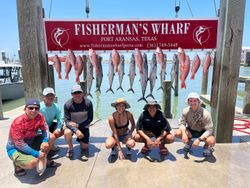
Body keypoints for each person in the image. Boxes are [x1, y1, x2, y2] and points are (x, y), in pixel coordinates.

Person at [6, 98, 55, 177]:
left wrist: (45, 140)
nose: (34, 110)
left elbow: (45, 129)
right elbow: (20, 144)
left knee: (51, 136)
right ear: (25, 109)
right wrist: (37, 153)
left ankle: (43, 157)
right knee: (32, 163)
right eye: (31, 108)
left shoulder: (39, 116)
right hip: (16, 148)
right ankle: (18, 164)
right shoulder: (18, 122)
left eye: (36, 108)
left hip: (30, 142)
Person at [174, 92, 216, 156]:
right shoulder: (185, 111)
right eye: (190, 101)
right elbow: (182, 124)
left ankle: (206, 146)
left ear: (199, 101)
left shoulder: (206, 113)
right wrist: (184, 134)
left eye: (195, 101)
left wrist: (199, 139)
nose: (193, 103)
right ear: (188, 102)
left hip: (203, 132)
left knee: (211, 141)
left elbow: (210, 130)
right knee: (177, 133)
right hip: (191, 130)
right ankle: (189, 143)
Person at [64, 84, 93, 160]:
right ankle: (70, 148)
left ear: (82, 93)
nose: (77, 95)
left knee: (84, 147)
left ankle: (81, 140)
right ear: (72, 94)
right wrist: (76, 130)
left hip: (83, 125)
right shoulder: (67, 105)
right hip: (72, 126)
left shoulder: (88, 103)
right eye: (75, 93)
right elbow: (66, 121)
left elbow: (90, 119)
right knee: (67, 132)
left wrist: (78, 125)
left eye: (79, 92)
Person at [40, 87, 63, 152]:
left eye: (52, 95)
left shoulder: (56, 106)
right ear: (43, 97)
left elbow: (60, 119)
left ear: (54, 96)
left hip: (49, 125)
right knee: (51, 136)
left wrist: (58, 129)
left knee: (64, 128)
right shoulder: (39, 107)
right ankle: (45, 152)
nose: (50, 97)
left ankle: (51, 145)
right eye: (47, 95)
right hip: (41, 128)